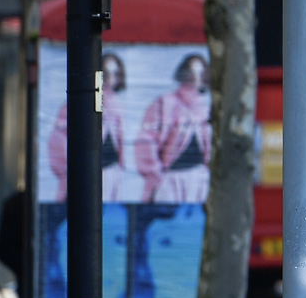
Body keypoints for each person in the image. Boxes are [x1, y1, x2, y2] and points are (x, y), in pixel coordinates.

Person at [49, 51, 133, 201]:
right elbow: (58, 139)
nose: (110, 78)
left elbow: (121, 139)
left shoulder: (118, 104)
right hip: (84, 174)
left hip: (112, 173)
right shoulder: (76, 103)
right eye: (106, 73)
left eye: (115, 73)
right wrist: (69, 171)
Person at [135, 53, 213, 205]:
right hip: (169, 180)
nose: (196, 78)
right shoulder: (164, 103)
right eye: (192, 73)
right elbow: (146, 140)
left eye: (201, 73)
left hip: (200, 180)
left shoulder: (206, 107)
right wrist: (155, 174)